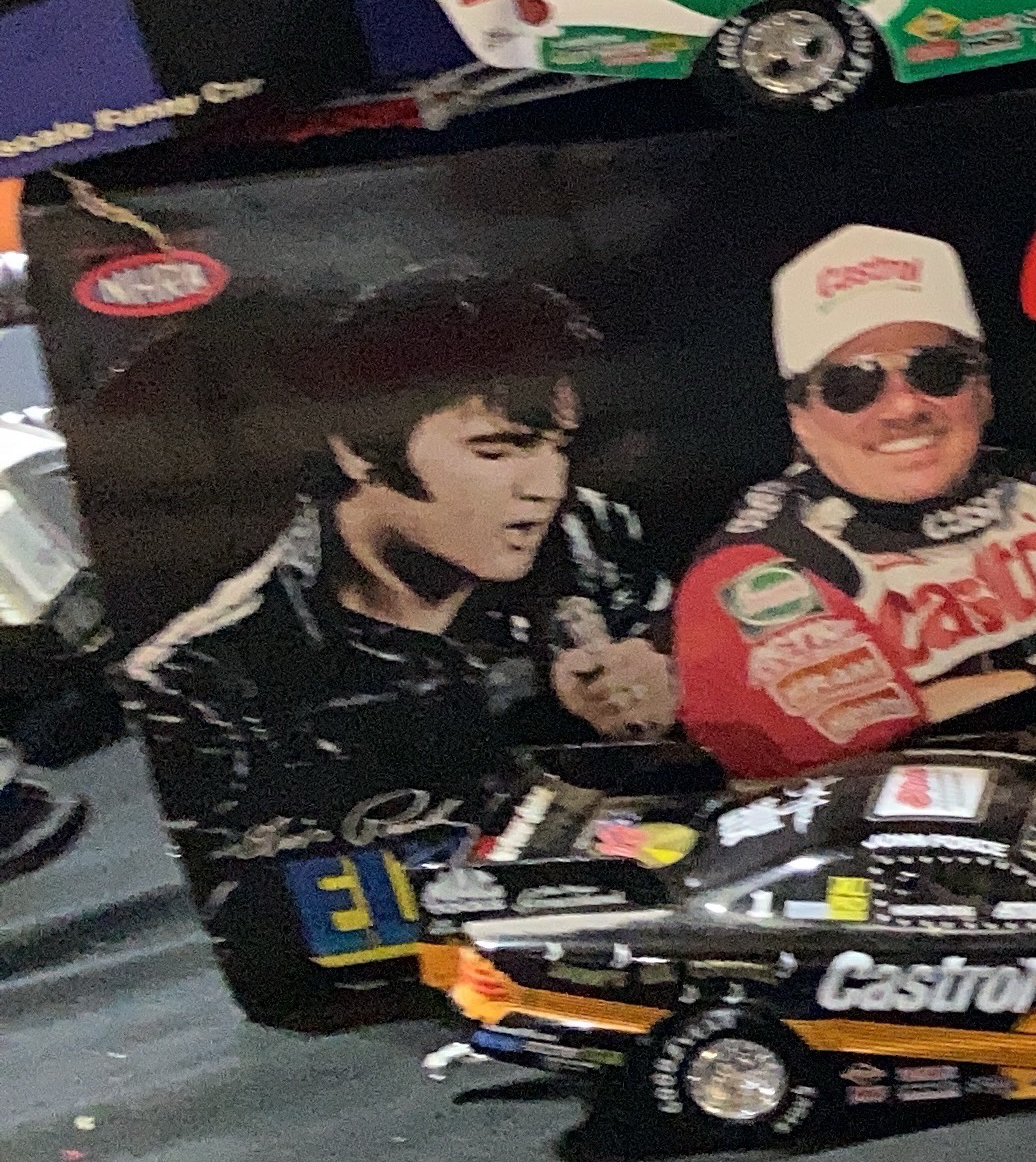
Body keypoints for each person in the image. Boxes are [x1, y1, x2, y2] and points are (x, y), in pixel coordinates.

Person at [120, 271, 673, 1010]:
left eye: (556, 447)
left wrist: (666, 700)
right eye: (497, 449)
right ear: (358, 447)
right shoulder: (201, 679)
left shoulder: (591, 537)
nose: (544, 485)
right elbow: (267, 946)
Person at [673, 224, 1036, 778]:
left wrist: (958, 696)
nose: (904, 407)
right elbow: (871, 753)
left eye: (937, 371)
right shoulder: (755, 571)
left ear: (983, 392)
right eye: (851, 386)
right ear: (801, 420)